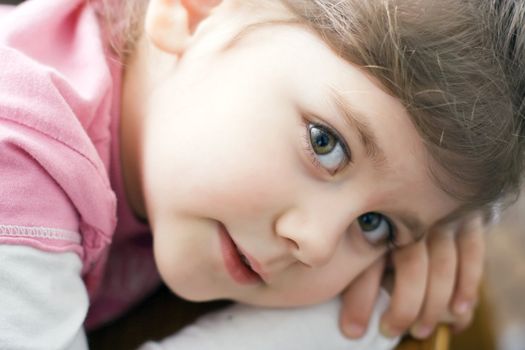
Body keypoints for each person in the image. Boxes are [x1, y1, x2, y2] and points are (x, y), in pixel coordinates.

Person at [0, 0, 522, 348]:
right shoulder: (19, 158)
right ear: (194, 13)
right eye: (325, 143)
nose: (315, 245)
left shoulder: (183, 130)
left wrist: (448, 225)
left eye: (374, 225)